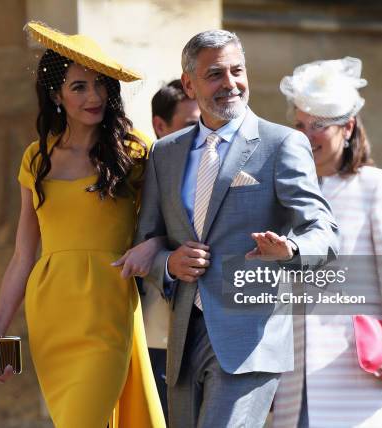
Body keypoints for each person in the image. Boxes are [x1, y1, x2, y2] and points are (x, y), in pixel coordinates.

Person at [135, 30, 339, 427]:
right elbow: (148, 239)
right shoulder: (165, 153)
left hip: (250, 337)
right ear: (189, 84)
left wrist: (290, 250)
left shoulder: (282, 144)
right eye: (215, 74)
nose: (230, 83)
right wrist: (168, 264)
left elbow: (324, 229)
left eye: (237, 71)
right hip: (181, 339)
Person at [0, 21, 165, 428]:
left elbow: (164, 225)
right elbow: (23, 255)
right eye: (79, 86)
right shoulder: (36, 157)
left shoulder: (134, 150)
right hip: (52, 312)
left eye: (100, 84)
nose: (94, 95)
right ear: (56, 95)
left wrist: (153, 247)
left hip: (109, 304)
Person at [272, 56, 382, 428]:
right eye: (300, 125)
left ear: (348, 126)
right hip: (293, 372)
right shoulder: (285, 193)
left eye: (319, 125)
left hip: (357, 366)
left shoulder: (377, 185)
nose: (306, 136)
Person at [143, 79, 201, 420]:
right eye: (191, 125)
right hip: (157, 340)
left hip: (212, 343)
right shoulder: (137, 175)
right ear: (160, 126)